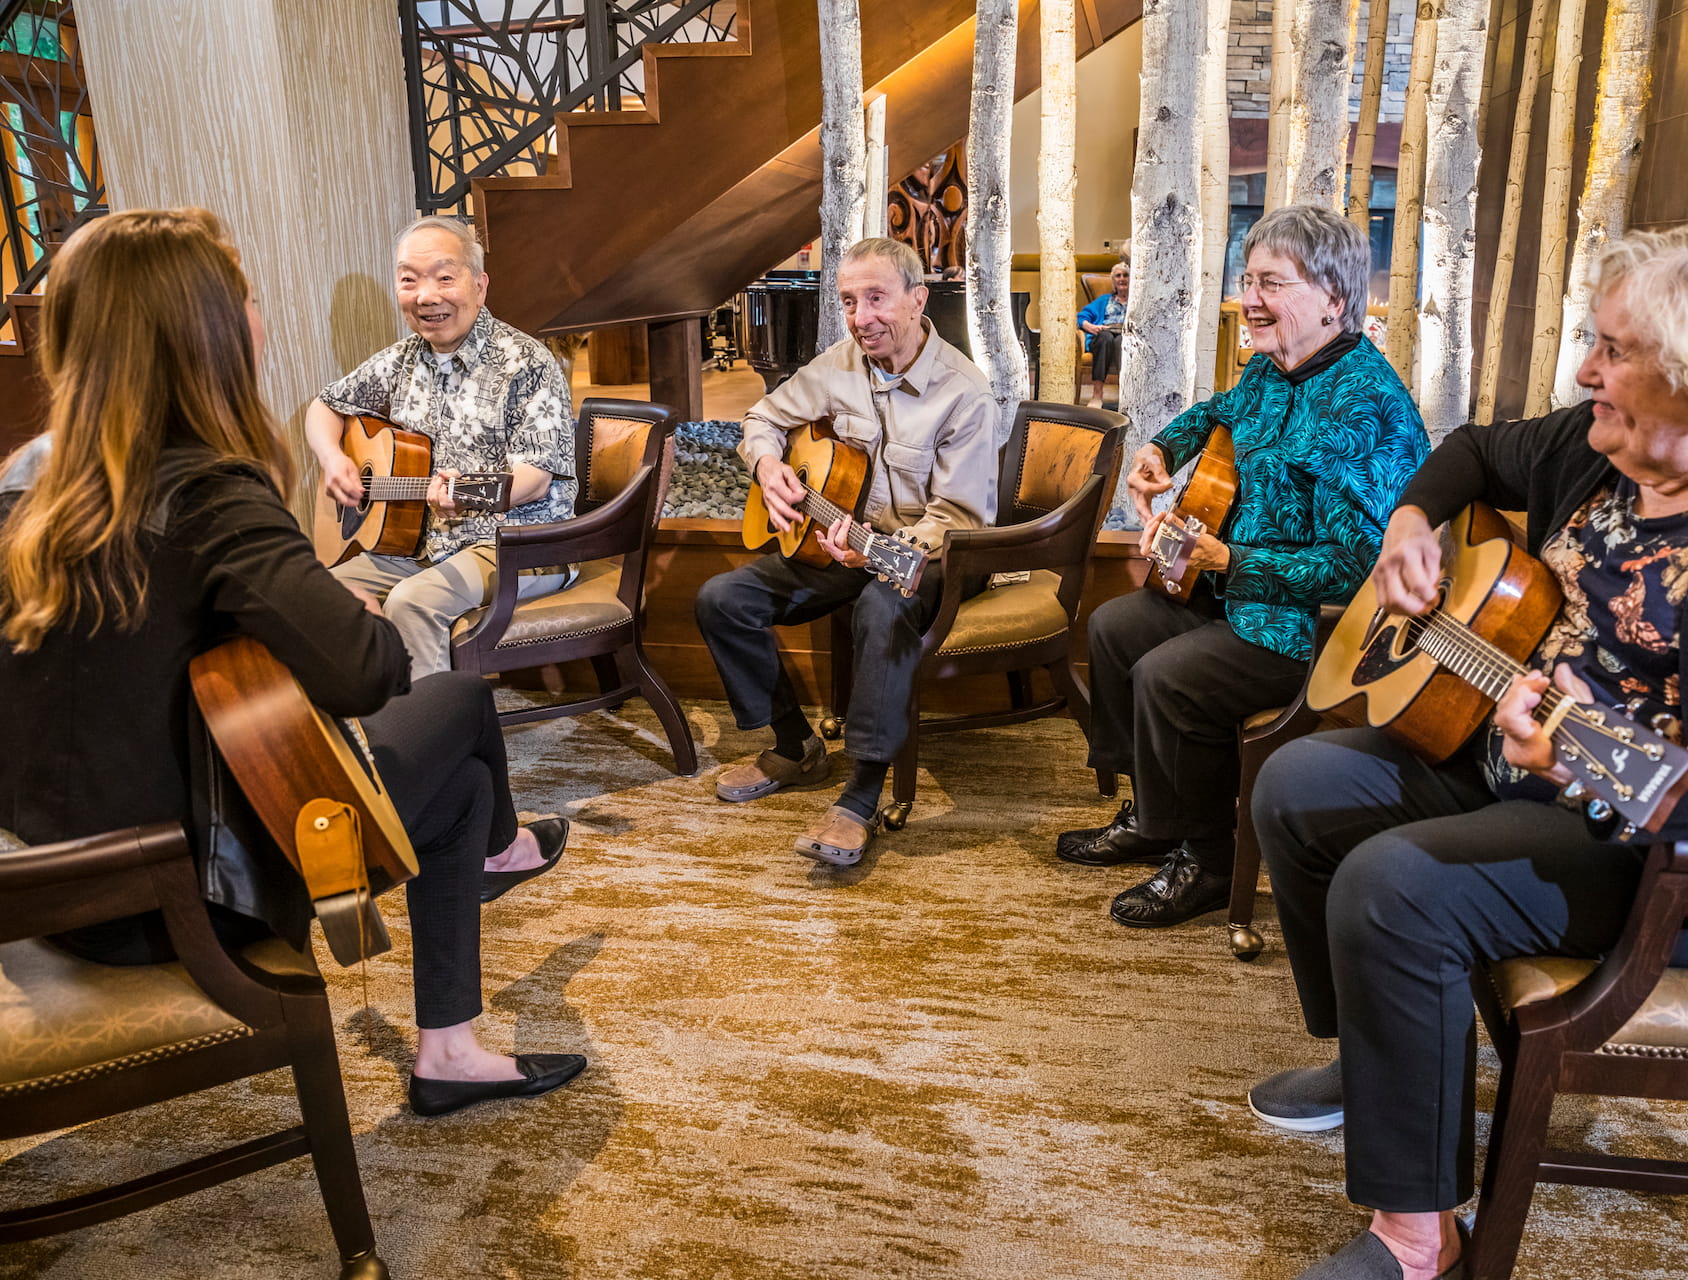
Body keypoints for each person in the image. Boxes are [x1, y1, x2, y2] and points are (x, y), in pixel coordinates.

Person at [1249, 226, 1688, 1279]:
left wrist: (1595, 761)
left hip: (1666, 854)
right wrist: (1409, 526)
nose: (1584, 371)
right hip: (1504, 750)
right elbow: (1471, 448)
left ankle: (1418, 1240)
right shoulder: (1603, 441)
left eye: (1613, 350)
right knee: (1297, 779)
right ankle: (1370, 1063)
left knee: (1397, 884)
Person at [0, 208, 584, 1118]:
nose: (262, 320)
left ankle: (451, 1043)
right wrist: (322, 604)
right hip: (186, 893)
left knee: (461, 790)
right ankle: (492, 880)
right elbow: (368, 673)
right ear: (206, 334)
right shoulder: (207, 490)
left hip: (44, 880)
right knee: (461, 703)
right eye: (251, 300)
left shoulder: (19, 484)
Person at [1055, 205, 1428, 929]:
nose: (1249, 300)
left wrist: (1233, 558)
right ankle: (1152, 815)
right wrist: (1161, 447)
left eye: (1271, 284)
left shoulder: (1365, 407)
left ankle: (1207, 857)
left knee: (1170, 678)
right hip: (1233, 591)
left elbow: (1358, 571)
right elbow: (1217, 411)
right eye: (1247, 280)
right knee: (1111, 629)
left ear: (1334, 300)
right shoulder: (1272, 368)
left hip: (1315, 630)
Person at [696, 236, 997, 868]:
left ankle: (860, 797)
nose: (862, 318)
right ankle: (795, 743)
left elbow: (962, 517)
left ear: (919, 301)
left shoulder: (963, 391)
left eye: (878, 298)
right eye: (850, 302)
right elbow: (760, 418)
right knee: (723, 599)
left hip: (928, 558)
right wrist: (768, 466)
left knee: (880, 610)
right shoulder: (838, 365)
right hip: (839, 541)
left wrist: (884, 552)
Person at [304, 215, 577, 679]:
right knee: (315, 598)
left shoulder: (526, 362)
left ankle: (433, 741)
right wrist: (333, 460)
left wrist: (465, 492)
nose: (426, 296)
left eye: (444, 277)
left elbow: (533, 480)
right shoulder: (402, 359)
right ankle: (360, 735)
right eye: (409, 279)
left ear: (480, 285)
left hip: (517, 547)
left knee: (415, 602)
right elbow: (323, 406)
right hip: (420, 546)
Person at [1076, 259, 1129, 408]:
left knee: (1121, 342)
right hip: (1103, 335)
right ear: (1113, 281)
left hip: (1124, 336)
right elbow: (1080, 317)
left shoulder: (1136, 302)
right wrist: (1090, 326)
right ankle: (1097, 394)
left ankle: (1126, 394)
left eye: (1125, 275)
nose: (1122, 279)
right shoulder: (1105, 300)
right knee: (1105, 338)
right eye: (1118, 276)